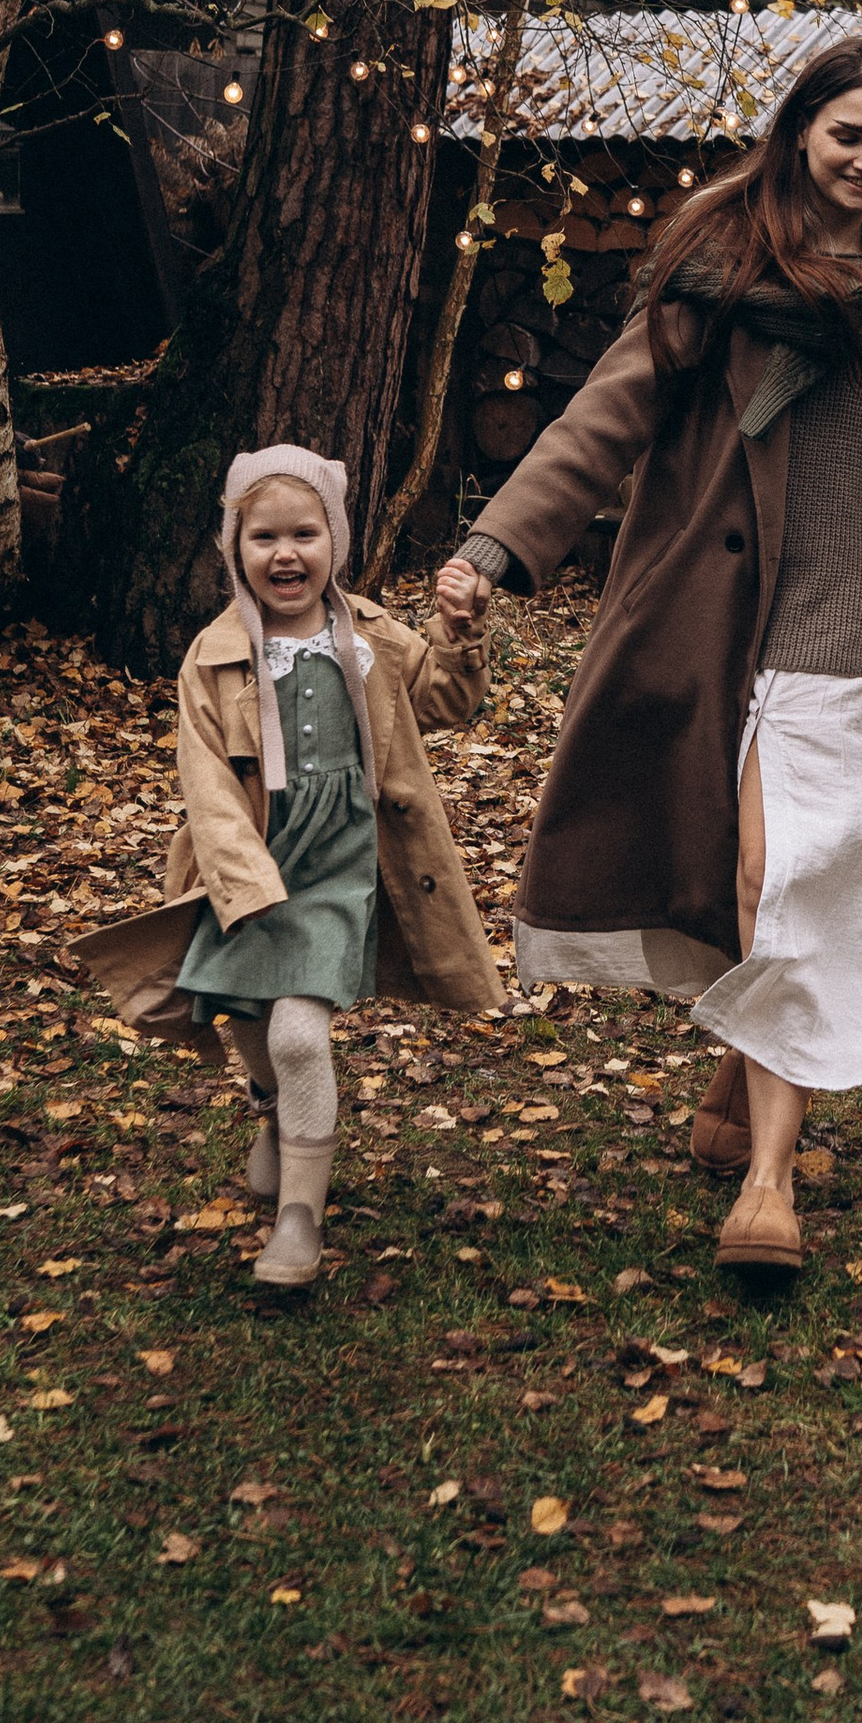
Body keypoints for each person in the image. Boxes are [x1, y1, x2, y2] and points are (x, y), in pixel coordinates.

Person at [438, 38, 862, 1273]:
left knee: (780, 871)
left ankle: (767, 1183)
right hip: (703, 619)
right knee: (739, 872)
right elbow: (603, 419)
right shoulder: (712, 279)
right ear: (800, 132)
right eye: (846, 134)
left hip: (834, 629)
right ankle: (733, 1086)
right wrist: (494, 552)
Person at [166, 444, 499, 1288]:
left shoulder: (372, 638)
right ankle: (276, 1108)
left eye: (305, 534)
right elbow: (206, 784)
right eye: (264, 537)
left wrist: (457, 636)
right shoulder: (213, 656)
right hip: (252, 867)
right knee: (247, 1022)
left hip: (340, 868)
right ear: (235, 549)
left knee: (298, 1031)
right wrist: (243, 879)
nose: (286, 554)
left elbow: (445, 703)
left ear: (335, 541)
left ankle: (299, 1220)